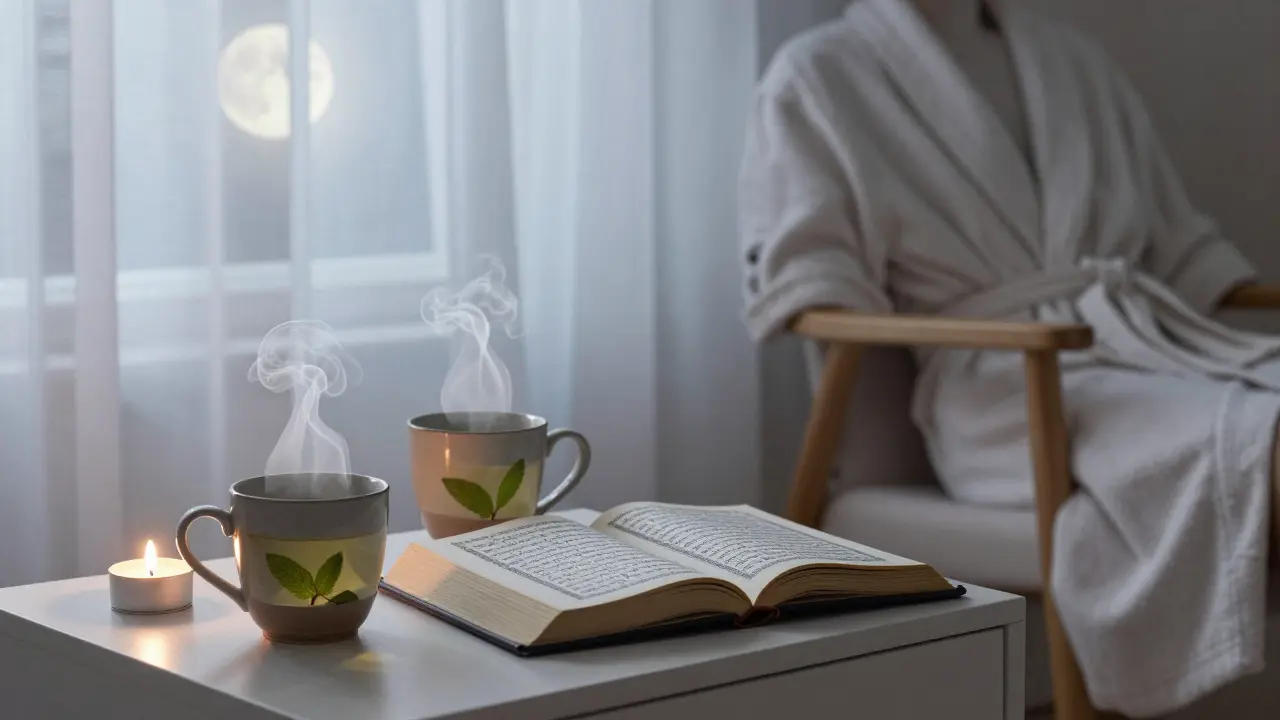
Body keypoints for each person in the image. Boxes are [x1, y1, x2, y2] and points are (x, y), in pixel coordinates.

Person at [739, 0, 1280, 716]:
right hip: (1003, 394)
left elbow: (1174, 246)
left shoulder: (1072, 61)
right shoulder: (819, 74)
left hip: (1146, 350)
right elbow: (813, 291)